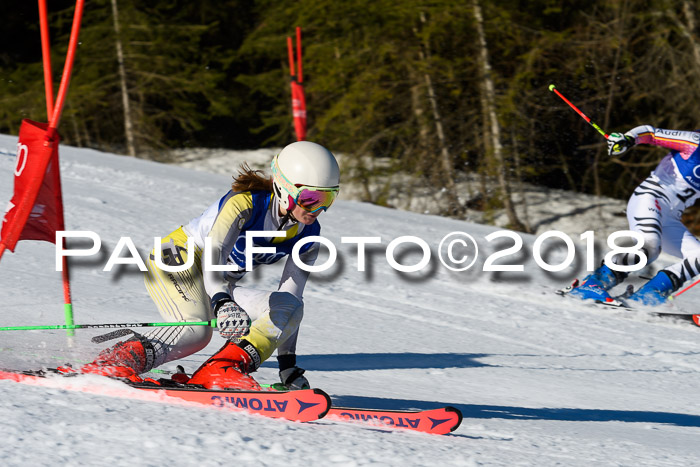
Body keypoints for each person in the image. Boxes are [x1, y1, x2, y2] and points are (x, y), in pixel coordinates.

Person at [72, 141, 340, 390]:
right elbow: (214, 257)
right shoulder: (245, 205)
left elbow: (291, 299)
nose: (316, 210)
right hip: (177, 260)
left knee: (289, 306)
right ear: (284, 188)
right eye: (311, 199)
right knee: (196, 331)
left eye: (327, 200)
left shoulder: (308, 233)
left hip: (217, 283)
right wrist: (223, 302)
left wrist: (288, 367)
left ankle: (221, 369)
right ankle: (115, 362)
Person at [568, 125, 700, 306]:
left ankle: (649, 295)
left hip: (671, 217)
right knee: (649, 247)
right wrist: (628, 139)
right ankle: (594, 283)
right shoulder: (694, 142)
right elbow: (651, 133)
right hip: (650, 198)